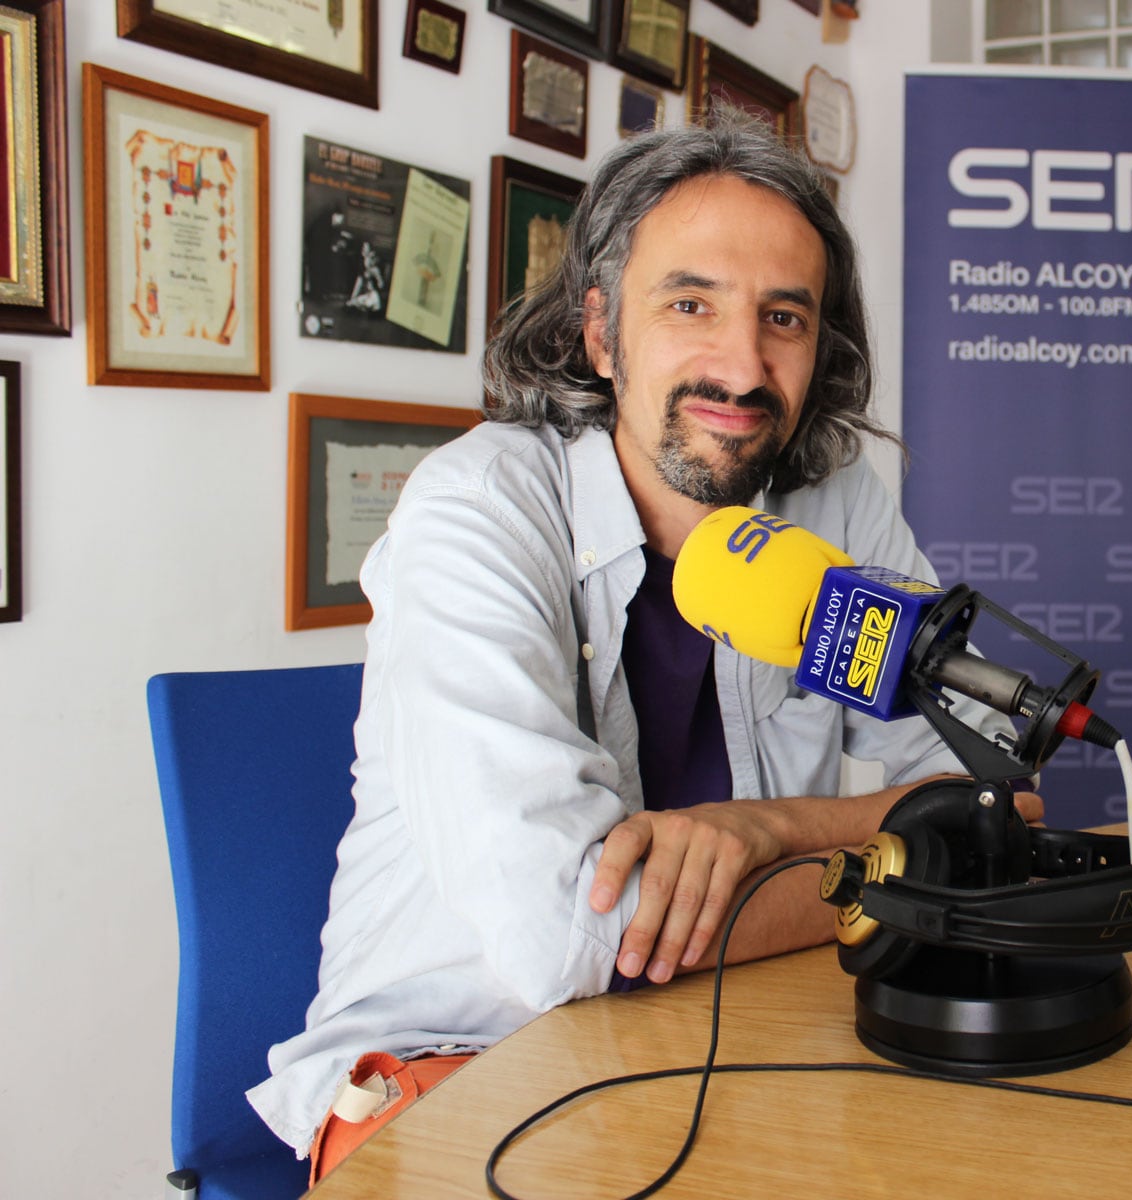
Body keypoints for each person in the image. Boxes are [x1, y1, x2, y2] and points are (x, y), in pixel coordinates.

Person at [249, 111, 1036, 1179]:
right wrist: (894, 862)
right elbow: (571, 936)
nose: (744, 366)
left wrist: (767, 830)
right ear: (602, 331)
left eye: (786, 318)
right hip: (456, 1077)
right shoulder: (476, 509)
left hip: (731, 1053)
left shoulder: (834, 511)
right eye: (690, 303)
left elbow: (999, 800)